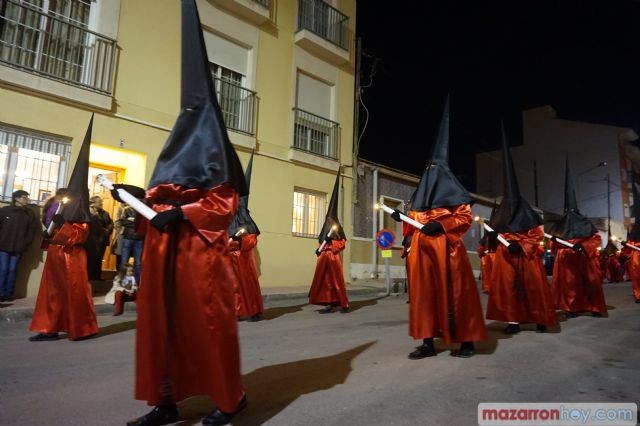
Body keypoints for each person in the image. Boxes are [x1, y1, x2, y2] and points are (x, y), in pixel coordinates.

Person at [125, 2, 247, 424]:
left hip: (199, 255)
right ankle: (165, 401)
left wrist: (181, 213)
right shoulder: (175, 146)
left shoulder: (214, 151)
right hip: (163, 256)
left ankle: (229, 400)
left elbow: (222, 204)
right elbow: (161, 201)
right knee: (162, 327)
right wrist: (138, 201)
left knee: (207, 326)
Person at [392, 96, 486, 359]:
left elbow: (463, 218)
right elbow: (413, 224)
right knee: (425, 298)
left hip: (448, 253)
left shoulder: (456, 198)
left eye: (437, 169)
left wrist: (441, 225)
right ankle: (428, 343)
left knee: (457, 294)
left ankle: (466, 340)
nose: (432, 173)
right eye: (429, 169)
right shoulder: (420, 198)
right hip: (422, 257)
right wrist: (406, 228)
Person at [29, 116, 99, 341]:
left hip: (72, 258)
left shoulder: (83, 214)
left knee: (74, 293)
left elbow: (79, 235)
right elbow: (50, 228)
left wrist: (62, 229)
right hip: (55, 255)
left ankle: (81, 328)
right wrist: (51, 231)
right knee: (51, 293)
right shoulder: (59, 205)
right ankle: (49, 328)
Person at [484, 123, 558, 334]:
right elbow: (494, 236)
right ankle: (513, 320)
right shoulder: (501, 211)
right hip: (505, 257)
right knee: (507, 289)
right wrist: (493, 237)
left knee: (533, 287)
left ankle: (540, 318)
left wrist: (522, 245)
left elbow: (536, 236)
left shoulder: (527, 212)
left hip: (527, 257)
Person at [549, 155, 607, 317]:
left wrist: (584, 246)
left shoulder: (585, 223)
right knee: (569, 285)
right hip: (566, 260)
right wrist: (555, 243)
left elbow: (596, 239)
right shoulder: (560, 224)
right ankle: (572, 307)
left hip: (584, 257)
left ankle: (593, 307)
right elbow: (554, 247)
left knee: (590, 282)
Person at [228, 152, 264, 322]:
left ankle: (255, 310)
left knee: (248, 286)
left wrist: (239, 240)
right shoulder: (227, 216)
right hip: (230, 258)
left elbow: (252, 239)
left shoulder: (245, 217)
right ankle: (236, 311)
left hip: (244, 258)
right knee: (232, 287)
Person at [308, 171, 349, 314]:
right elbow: (321, 242)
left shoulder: (338, 228)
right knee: (324, 282)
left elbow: (342, 243)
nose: (329, 221)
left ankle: (343, 304)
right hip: (324, 258)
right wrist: (319, 249)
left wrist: (332, 243)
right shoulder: (326, 226)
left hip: (333, 258)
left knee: (337, 281)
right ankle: (328, 303)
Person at [0, 190, 40, 301]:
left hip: (18, 246)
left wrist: (26, 242)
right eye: (24, 197)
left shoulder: (29, 214)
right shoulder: (4, 211)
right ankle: (1, 293)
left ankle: (8, 294)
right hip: (3, 245)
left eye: (27, 197)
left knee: (13, 269)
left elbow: (32, 230)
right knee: (3, 269)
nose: (26, 199)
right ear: (16, 198)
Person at [86, 195, 113, 280]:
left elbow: (111, 223)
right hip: (92, 239)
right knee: (91, 258)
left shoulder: (105, 213)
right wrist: (102, 229)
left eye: (101, 202)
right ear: (93, 203)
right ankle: (88, 276)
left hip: (102, 239)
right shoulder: (89, 212)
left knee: (100, 258)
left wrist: (107, 230)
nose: (102, 203)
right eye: (100, 202)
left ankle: (97, 276)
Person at [118, 202, 144, 283]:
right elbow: (122, 222)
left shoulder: (142, 210)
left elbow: (143, 224)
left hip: (139, 238)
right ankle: (122, 281)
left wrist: (132, 220)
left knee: (138, 263)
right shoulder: (126, 210)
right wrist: (135, 222)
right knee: (124, 261)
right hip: (128, 237)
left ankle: (136, 282)